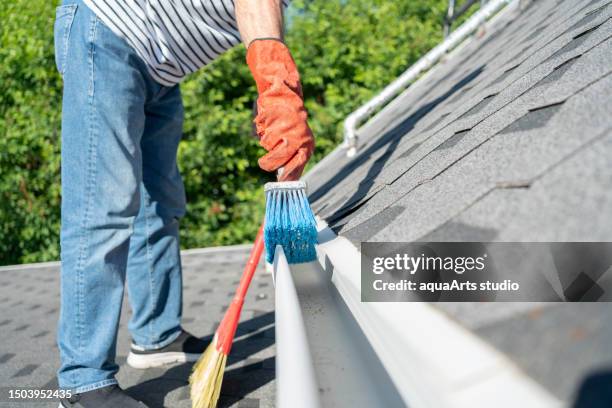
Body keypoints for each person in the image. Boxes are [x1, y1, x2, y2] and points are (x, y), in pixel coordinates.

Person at [54, 0, 314, 406]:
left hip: (164, 70)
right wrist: (277, 90)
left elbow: (262, 26)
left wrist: (274, 106)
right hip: (107, 31)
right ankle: (83, 380)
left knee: (160, 202)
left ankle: (157, 335)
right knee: (101, 209)